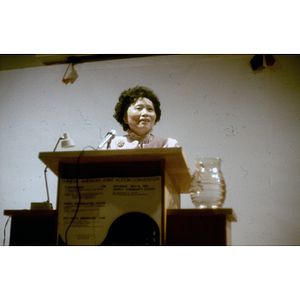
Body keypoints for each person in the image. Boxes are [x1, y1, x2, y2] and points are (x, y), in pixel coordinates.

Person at [105, 86, 179, 149]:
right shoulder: (111, 144)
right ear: (125, 118)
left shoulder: (168, 145)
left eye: (150, 109)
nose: (145, 113)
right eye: (139, 108)